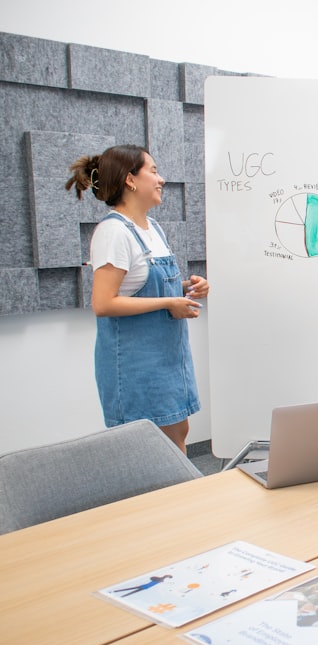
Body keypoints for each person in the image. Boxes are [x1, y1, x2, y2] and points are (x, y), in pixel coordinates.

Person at [66, 145, 208, 451]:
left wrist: (186, 288)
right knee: (154, 448)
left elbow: (140, 285)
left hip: (168, 357)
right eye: (153, 171)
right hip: (136, 364)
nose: (162, 180)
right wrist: (168, 303)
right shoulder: (113, 232)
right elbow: (103, 303)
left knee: (177, 432)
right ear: (130, 180)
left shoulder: (152, 228)